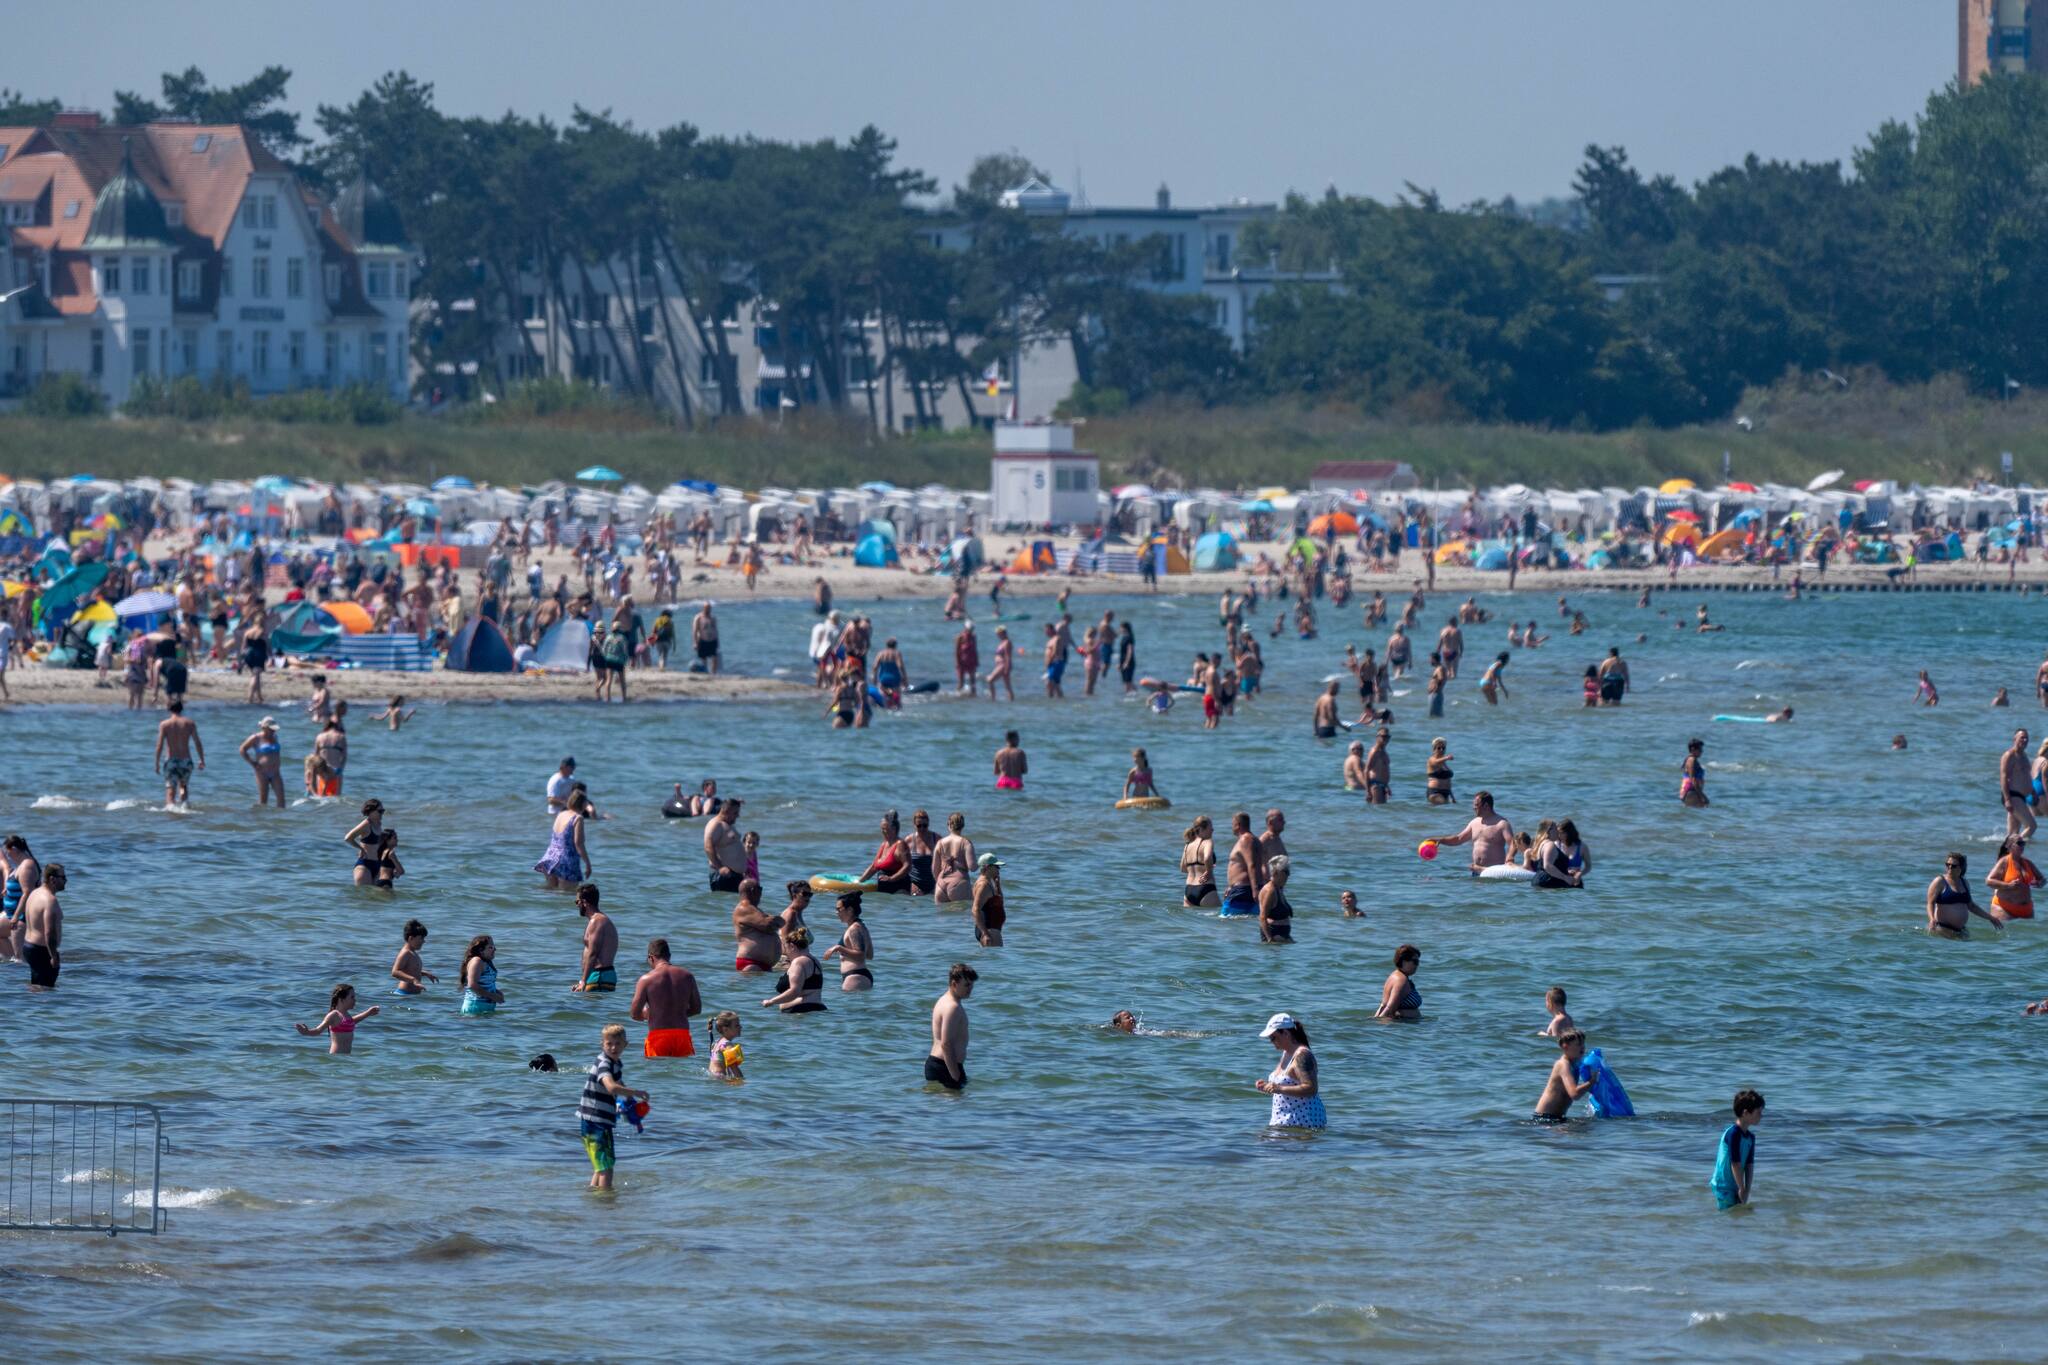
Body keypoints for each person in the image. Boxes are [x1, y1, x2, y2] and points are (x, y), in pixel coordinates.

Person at [578, 1024, 648, 1191]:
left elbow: (617, 1082)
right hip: (595, 1121)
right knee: (606, 1168)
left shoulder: (614, 1063)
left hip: (596, 1120)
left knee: (601, 1165)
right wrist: (636, 1092)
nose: (613, 1047)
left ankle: (594, 1194)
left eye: (618, 1043)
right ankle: (605, 1203)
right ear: (602, 1044)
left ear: (626, 1045)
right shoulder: (604, 1063)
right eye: (609, 1043)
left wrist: (629, 1098)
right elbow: (611, 1087)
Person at [629, 939, 702, 1057]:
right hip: (682, 1035)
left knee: (658, 1073)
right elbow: (696, 1009)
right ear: (669, 956)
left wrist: (651, 1015)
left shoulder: (646, 980)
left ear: (651, 957)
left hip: (658, 1037)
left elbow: (634, 1014)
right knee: (682, 1073)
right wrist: (677, 1013)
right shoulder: (687, 976)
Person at [1254, 1013, 1325, 1130]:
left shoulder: (1302, 1055)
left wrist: (1279, 1089)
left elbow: (1311, 1088)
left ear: (1286, 1034)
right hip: (1285, 1122)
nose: (1271, 1041)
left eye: (1273, 1037)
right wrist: (1267, 1086)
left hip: (1302, 1122)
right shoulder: (1286, 1053)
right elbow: (1287, 1083)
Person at [1433, 791, 1514, 873]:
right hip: (1476, 871)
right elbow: (1458, 839)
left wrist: (1510, 857)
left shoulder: (1502, 823)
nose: (1473, 808)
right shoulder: (1474, 822)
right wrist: (1440, 840)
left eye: (1476, 805)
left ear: (1486, 806)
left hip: (1494, 872)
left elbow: (1513, 844)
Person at [925, 963, 977, 1091]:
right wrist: (955, 1075)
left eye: (972, 985)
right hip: (946, 1066)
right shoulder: (952, 1007)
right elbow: (946, 1043)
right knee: (957, 1107)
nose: (970, 989)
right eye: (967, 985)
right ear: (954, 984)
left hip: (940, 1064)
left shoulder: (944, 1000)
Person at [1711, 1090, 1765, 1210]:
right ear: (1746, 1113)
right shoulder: (1733, 1133)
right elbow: (1735, 1163)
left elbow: (1749, 1165)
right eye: (1758, 1112)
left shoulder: (1751, 1137)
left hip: (1736, 1184)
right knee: (1727, 1215)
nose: (1761, 1116)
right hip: (1723, 1185)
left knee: (1740, 1215)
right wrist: (1741, 1188)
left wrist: (1747, 1190)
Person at [295, 983, 380, 1056]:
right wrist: (307, 1032)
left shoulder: (347, 1015)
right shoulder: (334, 1015)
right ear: (341, 999)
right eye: (352, 997)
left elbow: (352, 1021)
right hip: (336, 1057)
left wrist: (368, 1013)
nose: (355, 1000)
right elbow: (318, 1030)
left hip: (346, 1058)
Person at [1927, 852, 1999, 937]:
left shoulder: (1964, 882)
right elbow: (1930, 903)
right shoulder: (1939, 881)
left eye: (1953, 866)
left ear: (1961, 867)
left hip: (1960, 931)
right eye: (1947, 864)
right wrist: (1932, 919)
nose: (1950, 867)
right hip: (1942, 928)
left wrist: (1990, 917)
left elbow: (1971, 906)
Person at [536, 790, 595, 891]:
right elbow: (579, 844)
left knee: (550, 893)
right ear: (582, 803)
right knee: (566, 897)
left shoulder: (561, 814)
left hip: (551, 858)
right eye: (586, 801)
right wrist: (588, 865)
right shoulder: (578, 818)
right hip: (567, 862)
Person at [1532, 1029, 1596, 1119]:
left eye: (1583, 1044)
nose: (1582, 1047)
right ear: (1565, 1047)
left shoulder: (1576, 1063)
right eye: (1578, 1044)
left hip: (1558, 1117)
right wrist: (1592, 1081)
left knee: (1585, 1128)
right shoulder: (1563, 1064)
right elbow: (1574, 1094)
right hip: (1545, 1117)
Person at [20, 863, 64, 991]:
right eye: (63, 877)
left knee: (36, 988)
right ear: (52, 879)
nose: (65, 881)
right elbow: (49, 932)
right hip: (42, 951)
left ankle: (29, 1009)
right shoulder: (50, 900)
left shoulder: (35, 893)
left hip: (29, 947)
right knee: (45, 992)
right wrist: (54, 956)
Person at [762, 925, 827, 1013]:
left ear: (792, 946)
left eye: (786, 949)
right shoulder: (815, 961)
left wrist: (771, 1001)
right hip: (817, 1008)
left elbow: (794, 991)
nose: (786, 953)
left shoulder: (798, 962)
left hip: (801, 1010)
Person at [154, 700, 204, 806]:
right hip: (186, 761)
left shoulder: (165, 724)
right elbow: (197, 743)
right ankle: (184, 807)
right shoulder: (189, 723)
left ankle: (171, 811)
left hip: (171, 760)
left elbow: (159, 745)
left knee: (170, 789)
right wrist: (201, 759)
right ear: (182, 709)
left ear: (169, 709)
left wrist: (157, 763)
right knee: (183, 786)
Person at [732, 879, 785, 973]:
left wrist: (778, 921)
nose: (761, 893)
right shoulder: (745, 907)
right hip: (751, 964)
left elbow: (776, 922)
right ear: (753, 890)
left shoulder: (753, 910)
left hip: (762, 965)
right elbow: (768, 925)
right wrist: (778, 920)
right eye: (760, 889)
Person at [572, 884, 618, 992]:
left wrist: (583, 981)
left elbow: (592, 954)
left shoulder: (596, 922)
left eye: (577, 902)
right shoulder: (600, 920)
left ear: (584, 902)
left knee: (589, 1008)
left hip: (599, 976)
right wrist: (583, 981)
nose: (576, 905)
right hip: (600, 976)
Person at [824, 893, 874, 991]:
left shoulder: (854, 929)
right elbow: (870, 955)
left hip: (855, 976)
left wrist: (838, 948)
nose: (836, 912)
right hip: (859, 975)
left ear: (850, 910)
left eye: (839, 909)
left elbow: (861, 956)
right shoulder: (862, 927)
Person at [1, 834, 39, 964]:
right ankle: (9, 962)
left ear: (15, 849)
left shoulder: (27, 866)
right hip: (11, 915)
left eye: (8, 851)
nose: (7, 855)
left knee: (20, 960)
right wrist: (8, 889)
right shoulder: (20, 865)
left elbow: (27, 893)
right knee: (15, 959)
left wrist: (16, 916)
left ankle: (18, 976)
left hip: (20, 918)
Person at [1986, 835, 2040, 922]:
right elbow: (1989, 881)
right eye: (2020, 843)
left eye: (2023, 843)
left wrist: (2039, 883)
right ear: (2010, 846)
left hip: (2027, 909)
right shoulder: (2004, 862)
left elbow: (2042, 879)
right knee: (2005, 934)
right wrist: (2008, 885)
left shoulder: (2028, 862)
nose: (2022, 846)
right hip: (2004, 908)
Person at [860, 810, 914, 895]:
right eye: (881, 829)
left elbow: (907, 866)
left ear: (893, 829)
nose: (882, 831)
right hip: (884, 892)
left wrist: (891, 878)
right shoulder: (884, 844)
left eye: (885, 829)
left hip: (899, 890)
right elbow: (874, 867)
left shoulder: (900, 844)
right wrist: (860, 882)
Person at [1222, 811, 1265, 916]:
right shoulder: (1254, 839)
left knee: (1224, 920)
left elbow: (1251, 864)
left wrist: (1255, 890)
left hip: (1242, 891)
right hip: (1247, 889)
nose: (1232, 827)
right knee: (1247, 922)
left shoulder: (1245, 839)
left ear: (1238, 825)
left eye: (1233, 824)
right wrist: (1230, 886)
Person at [238, 716, 286, 807]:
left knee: (281, 800)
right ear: (264, 728)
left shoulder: (275, 737)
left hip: (276, 773)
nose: (273, 731)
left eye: (274, 729)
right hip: (262, 773)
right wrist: (252, 763)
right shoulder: (255, 738)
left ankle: (279, 818)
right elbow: (242, 749)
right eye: (271, 729)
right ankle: (260, 820)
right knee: (263, 801)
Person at [703, 798, 747, 892]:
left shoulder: (727, 824)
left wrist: (735, 802)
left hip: (734, 876)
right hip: (724, 876)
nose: (738, 816)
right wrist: (720, 868)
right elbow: (708, 847)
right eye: (735, 813)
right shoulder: (716, 825)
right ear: (725, 811)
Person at [2001, 730, 2037, 842]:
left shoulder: (2024, 756)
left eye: (2026, 738)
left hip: (2021, 798)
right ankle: (2015, 846)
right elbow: (2003, 777)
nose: (2025, 740)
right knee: (2031, 827)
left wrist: (2033, 792)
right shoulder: (2009, 755)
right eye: (2022, 737)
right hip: (2012, 796)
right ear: (2014, 739)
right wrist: (2007, 800)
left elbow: (2026, 777)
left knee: (2013, 833)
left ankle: (2007, 853)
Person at [932, 813, 976, 904]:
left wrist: (940, 881)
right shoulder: (965, 843)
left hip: (941, 883)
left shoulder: (940, 843)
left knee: (941, 916)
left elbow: (934, 869)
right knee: (961, 915)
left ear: (948, 824)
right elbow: (972, 867)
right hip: (959, 882)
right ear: (962, 826)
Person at [1534, 819, 1590, 888]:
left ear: (1569, 833)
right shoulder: (1554, 844)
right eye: (1557, 831)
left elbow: (1588, 866)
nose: (1558, 835)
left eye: (1561, 832)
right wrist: (1565, 876)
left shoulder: (1582, 847)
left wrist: (1580, 873)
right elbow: (1547, 866)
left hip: (1574, 880)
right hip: (1559, 880)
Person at [343, 799, 387, 887]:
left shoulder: (379, 824)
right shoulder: (366, 824)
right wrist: (360, 848)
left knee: (380, 897)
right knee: (363, 897)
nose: (382, 813)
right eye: (380, 811)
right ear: (371, 811)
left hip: (378, 865)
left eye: (383, 811)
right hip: (364, 866)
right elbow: (348, 838)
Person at [1181, 816, 1219, 908]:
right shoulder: (1207, 842)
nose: (1212, 830)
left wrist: (1195, 869)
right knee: (1220, 919)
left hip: (1188, 890)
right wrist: (1209, 871)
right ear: (1202, 829)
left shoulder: (1187, 846)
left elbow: (1183, 868)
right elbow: (1207, 857)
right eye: (1210, 827)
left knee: (1191, 921)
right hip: (1205, 888)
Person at [1375, 944, 1422, 1020]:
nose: (1417, 965)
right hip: (1400, 1027)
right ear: (1404, 961)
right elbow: (1389, 1009)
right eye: (1415, 961)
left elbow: (1384, 1006)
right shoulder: (1401, 980)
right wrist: (1380, 1023)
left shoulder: (1395, 975)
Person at [460, 935, 503, 1015]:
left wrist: (496, 992)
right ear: (481, 950)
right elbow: (472, 985)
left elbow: (484, 984)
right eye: (491, 947)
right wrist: (493, 996)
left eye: (494, 947)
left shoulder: (486, 962)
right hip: (475, 1007)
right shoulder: (477, 961)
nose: (495, 949)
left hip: (484, 1008)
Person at [390, 920, 436, 994]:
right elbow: (395, 972)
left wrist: (426, 973)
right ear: (411, 938)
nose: (424, 941)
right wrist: (414, 980)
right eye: (421, 938)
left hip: (411, 996)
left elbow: (411, 970)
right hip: (403, 994)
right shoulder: (405, 953)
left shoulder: (413, 953)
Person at [972, 853, 1007, 947]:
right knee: (997, 961)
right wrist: (986, 933)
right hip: (989, 930)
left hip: (991, 930)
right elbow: (975, 909)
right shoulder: (983, 885)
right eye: (996, 866)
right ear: (987, 867)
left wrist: (997, 885)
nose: (999, 869)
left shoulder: (988, 883)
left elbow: (999, 903)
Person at [315, 704, 349, 797]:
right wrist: (340, 770)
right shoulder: (341, 737)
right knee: (336, 798)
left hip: (323, 771)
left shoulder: (319, 737)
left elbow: (316, 757)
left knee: (321, 798)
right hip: (336, 770)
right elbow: (344, 756)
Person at [1258, 855, 1293, 944]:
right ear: (1276, 872)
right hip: (1274, 936)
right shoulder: (1270, 891)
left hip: (1282, 936)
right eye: (1286, 871)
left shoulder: (1278, 888)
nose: (1288, 875)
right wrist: (1270, 940)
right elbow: (1262, 917)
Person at [907, 809, 938, 894]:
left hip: (933, 884)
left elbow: (946, 862)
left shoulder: (937, 839)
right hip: (914, 884)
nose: (922, 828)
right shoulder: (909, 840)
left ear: (928, 824)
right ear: (914, 825)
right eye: (919, 825)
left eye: (925, 825)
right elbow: (902, 864)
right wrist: (910, 884)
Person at [706, 1011, 745, 1080]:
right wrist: (742, 1081)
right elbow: (733, 1067)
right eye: (737, 1025)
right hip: (720, 1079)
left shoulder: (717, 1042)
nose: (740, 1027)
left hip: (713, 1077)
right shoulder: (727, 1045)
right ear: (725, 1029)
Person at [985, 624, 1015, 701]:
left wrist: (1007, 668)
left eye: (998, 633)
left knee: (990, 680)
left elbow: (1008, 656)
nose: (997, 635)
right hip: (999, 665)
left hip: (1003, 665)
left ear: (1003, 633)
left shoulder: (1007, 642)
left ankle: (992, 698)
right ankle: (1011, 700)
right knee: (1007, 686)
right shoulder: (1002, 642)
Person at [692, 601, 720, 674]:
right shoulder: (698, 617)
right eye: (707, 608)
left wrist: (717, 641)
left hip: (713, 641)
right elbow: (695, 631)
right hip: (703, 640)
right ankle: (705, 672)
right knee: (704, 659)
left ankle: (714, 673)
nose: (708, 609)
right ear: (703, 608)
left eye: (709, 608)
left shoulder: (713, 618)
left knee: (715, 658)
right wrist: (695, 642)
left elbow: (715, 630)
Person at [1681, 739, 1709, 807]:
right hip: (1691, 791)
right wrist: (1702, 795)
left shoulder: (1692, 759)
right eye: (1700, 749)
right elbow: (1693, 779)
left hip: (1692, 791)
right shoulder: (1691, 760)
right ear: (1693, 749)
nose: (1702, 751)